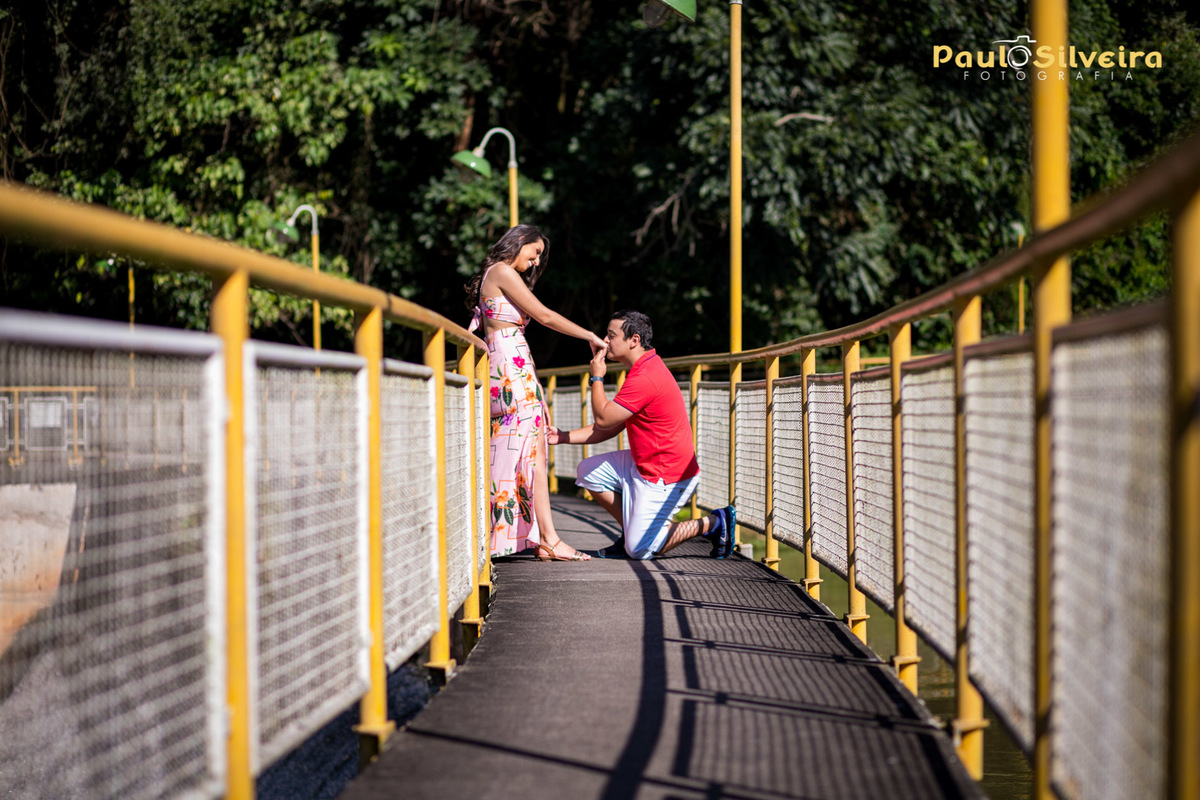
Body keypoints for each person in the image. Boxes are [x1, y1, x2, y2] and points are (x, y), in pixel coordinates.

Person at [546, 310, 737, 559]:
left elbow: (602, 418)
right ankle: (632, 532)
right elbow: (611, 425)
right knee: (588, 471)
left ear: (634, 340)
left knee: (639, 549)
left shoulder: (645, 376)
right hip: (644, 463)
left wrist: (596, 377)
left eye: (611, 335)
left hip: (667, 474)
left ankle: (713, 523)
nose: (605, 340)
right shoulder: (641, 369)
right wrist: (561, 436)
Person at [466, 225, 605, 561]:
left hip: (510, 366)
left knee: (530, 452)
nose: (537, 260)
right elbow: (543, 315)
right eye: (535, 251)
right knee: (532, 453)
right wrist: (588, 334)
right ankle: (549, 538)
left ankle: (544, 537)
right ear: (519, 243)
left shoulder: (494, 275)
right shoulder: (500, 271)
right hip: (511, 370)